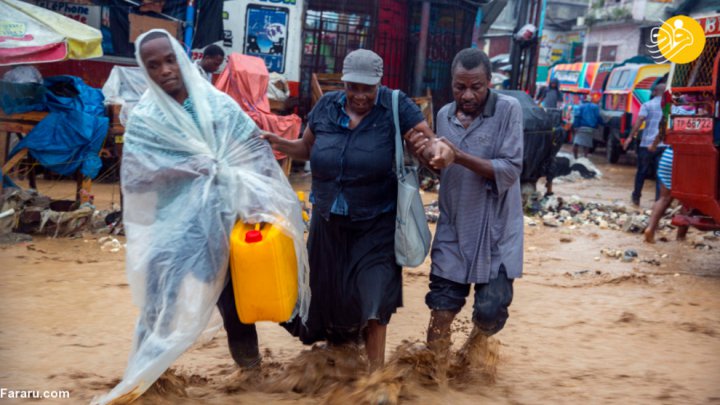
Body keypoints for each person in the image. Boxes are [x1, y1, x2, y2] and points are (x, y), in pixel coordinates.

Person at [99, 30, 309, 403]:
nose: (165, 70)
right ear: (146, 71)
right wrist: (185, 167)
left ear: (182, 57)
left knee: (237, 306)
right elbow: (138, 176)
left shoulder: (217, 105)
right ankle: (146, 381)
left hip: (226, 224)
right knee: (161, 308)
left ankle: (255, 374)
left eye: (169, 59)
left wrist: (261, 204)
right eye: (154, 65)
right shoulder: (146, 118)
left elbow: (253, 153)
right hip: (174, 233)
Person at [262, 49, 454, 370]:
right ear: (344, 81)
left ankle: (375, 379)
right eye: (354, 87)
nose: (360, 95)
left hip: (376, 223)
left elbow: (428, 140)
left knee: (375, 298)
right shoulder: (326, 106)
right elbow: (307, 149)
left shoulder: (396, 105)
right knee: (325, 302)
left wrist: (435, 150)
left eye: (368, 88)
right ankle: (337, 363)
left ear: (379, 83)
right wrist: (277, 142)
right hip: (327, 223)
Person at [406, 48, 523, 358]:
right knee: (441, 309)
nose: (467, 94)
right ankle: (437, 381)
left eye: (476, 86)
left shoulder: (509, 110)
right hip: (454, 230)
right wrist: (422, 154)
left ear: (489, 82)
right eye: (460, 87)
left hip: (496, 233)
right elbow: (439, 166)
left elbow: (510, 169)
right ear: (452, 83)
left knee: (489, 314)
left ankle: (474, 358)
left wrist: (457, 154)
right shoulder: (443, 115)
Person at [623, 82, 666, 206]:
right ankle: (659, 200)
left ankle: (636, 197)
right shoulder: (668, 106)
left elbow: (639, 120)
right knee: (660, 174)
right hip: (663, 145)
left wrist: (630, 136)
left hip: (646, 143)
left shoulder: (647, 105)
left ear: (654, 92)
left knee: (642, 171)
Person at [571, 94, 601, 159]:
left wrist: (575, 127)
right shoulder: (596, 107)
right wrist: (598, 125)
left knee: (576, 143)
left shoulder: (581, 107)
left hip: (581, 128)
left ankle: (575, 158)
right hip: (590, 129)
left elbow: (577, 117)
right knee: (587, 144)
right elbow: (598, 117)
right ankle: (585, 157)